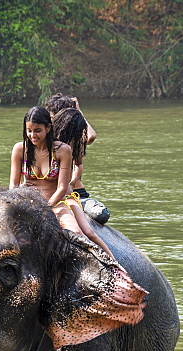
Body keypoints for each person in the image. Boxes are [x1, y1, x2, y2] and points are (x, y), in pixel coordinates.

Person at [9, 106, 115, 258]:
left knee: (80, 234)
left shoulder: (62, 150)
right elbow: (13, 186)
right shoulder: (19, 149)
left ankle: (112, 264)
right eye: (29, 130)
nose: (33, 135)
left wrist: (45, 208)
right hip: (29, 201)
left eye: (37, 130)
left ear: (48, 128)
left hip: (57, 202)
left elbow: (62, 187)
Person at [44, 94, 110, 224]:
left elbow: (90, 137)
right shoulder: (45, 136)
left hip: (75, 192)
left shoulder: (74, 139)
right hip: (52, 191)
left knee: (101, 215)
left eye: (52, 115)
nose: (51, 118)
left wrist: (72, 182)